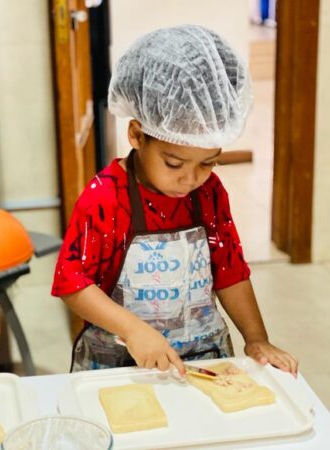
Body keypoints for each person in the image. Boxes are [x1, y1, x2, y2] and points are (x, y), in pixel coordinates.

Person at [51, 25, 298, 376]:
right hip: (122, 366)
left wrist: (256, 338)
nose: (190, 178)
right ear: (137, 135)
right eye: (174, 163)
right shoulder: (106, 197)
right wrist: (133, 329)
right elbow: (72, 283)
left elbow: (229, 270)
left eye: (208, 162)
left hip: (203, 362)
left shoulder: (209, 193)